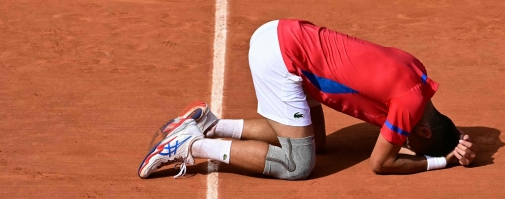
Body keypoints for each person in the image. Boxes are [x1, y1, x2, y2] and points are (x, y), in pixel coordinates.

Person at [139, 19, 477, 179]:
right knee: (297, 165)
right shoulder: (409, 107)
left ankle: (211, 125)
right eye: (412, 144)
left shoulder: (418, 74)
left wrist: (455, 139)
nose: (403, 143)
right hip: (285, 60)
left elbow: (426, 132)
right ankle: (190, 146)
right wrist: (442, 161)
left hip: (290, 36)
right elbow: (381, 163)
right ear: (425, 132)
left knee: (314, 144)